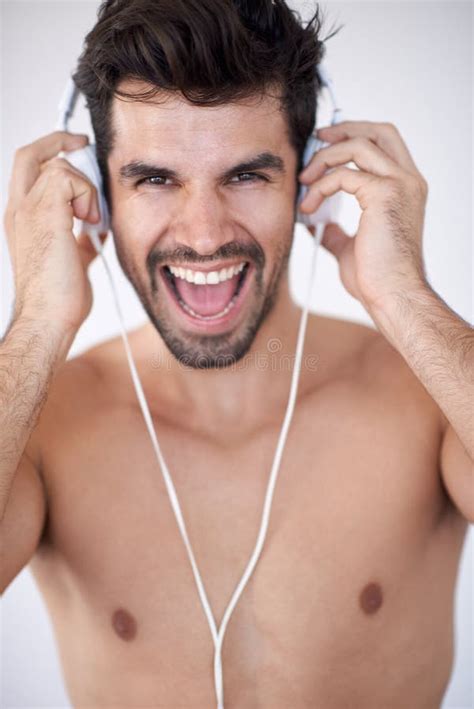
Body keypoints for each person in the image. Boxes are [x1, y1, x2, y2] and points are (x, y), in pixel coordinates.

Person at [1, 0, 472, 706]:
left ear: (310, 182)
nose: (203, 232)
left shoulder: (427, 398)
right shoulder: (40, 425)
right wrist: (37, 320)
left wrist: (404, 297)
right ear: (98, 192)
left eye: (246, 175)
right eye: (154, 178)